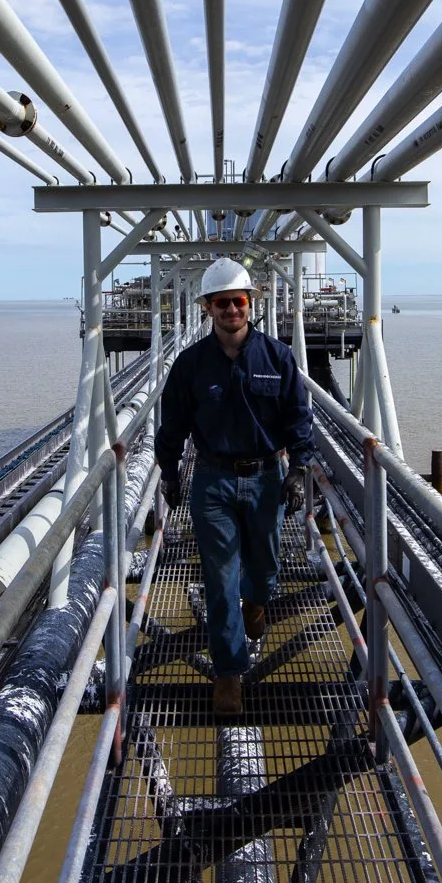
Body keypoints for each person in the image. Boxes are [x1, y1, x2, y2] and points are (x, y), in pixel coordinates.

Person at [156, 257, 312, 716]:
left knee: (264, 565)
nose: (231, 310)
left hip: (267, 477)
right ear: (207, 308)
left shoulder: (279, 359)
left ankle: (259, 602)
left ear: (251, 304)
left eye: (238, 302)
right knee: (220, 578)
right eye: (221, 303)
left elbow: (298, 419)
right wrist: (168, 472)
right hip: (213, 481)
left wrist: (300, 468)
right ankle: (229, 673)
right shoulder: (189, 366)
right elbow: (172, 427)